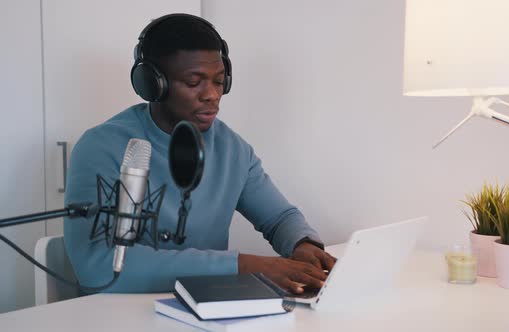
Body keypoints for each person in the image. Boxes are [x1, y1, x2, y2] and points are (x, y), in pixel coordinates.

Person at [64, 13, 335, 294]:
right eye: (194, 82)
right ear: (153, 83)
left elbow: (279, 218)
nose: (212, 95)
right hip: (115, 316)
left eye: (218, 82)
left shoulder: (233, 149)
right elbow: (97, 268)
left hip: (205, 313)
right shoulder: (100, 147)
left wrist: (303, 244)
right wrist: (242, 266)